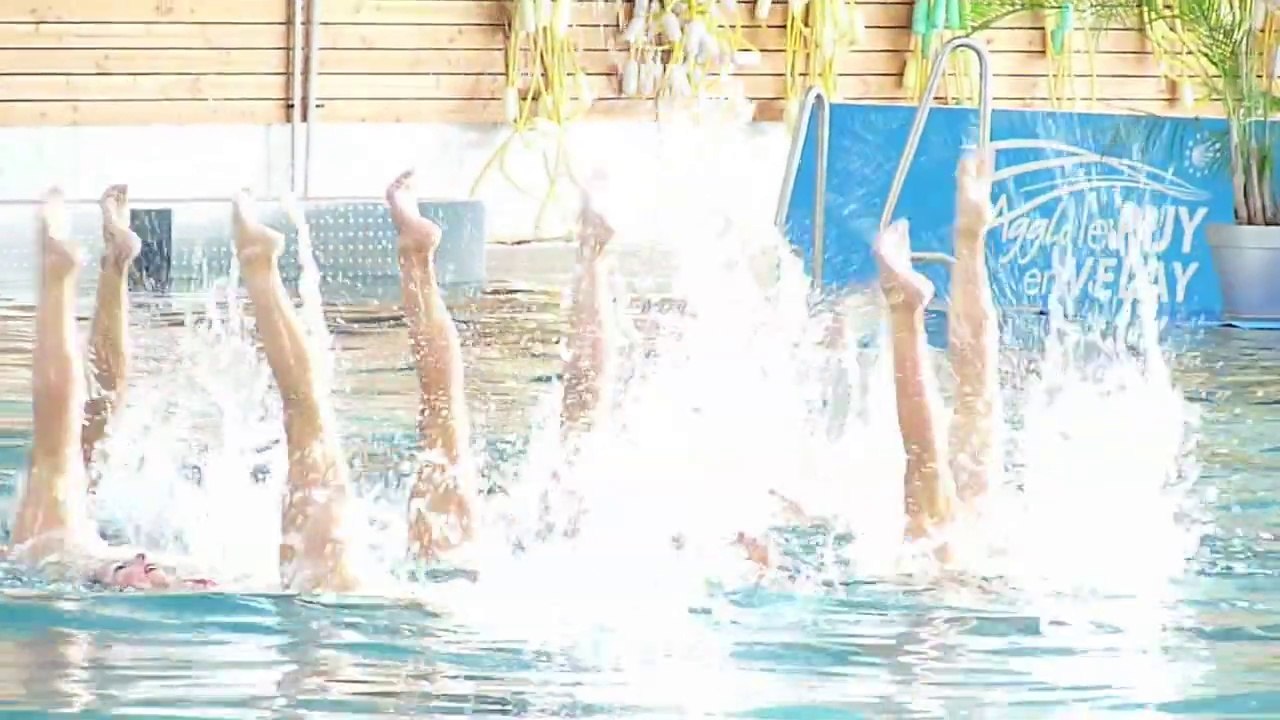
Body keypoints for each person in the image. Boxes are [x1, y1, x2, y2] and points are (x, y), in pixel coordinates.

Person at [9, 171, 618, 593]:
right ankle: (259, 269)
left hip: (434, 590)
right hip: (380, 599)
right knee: (311, 415)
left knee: (450, 419)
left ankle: (457, 258)